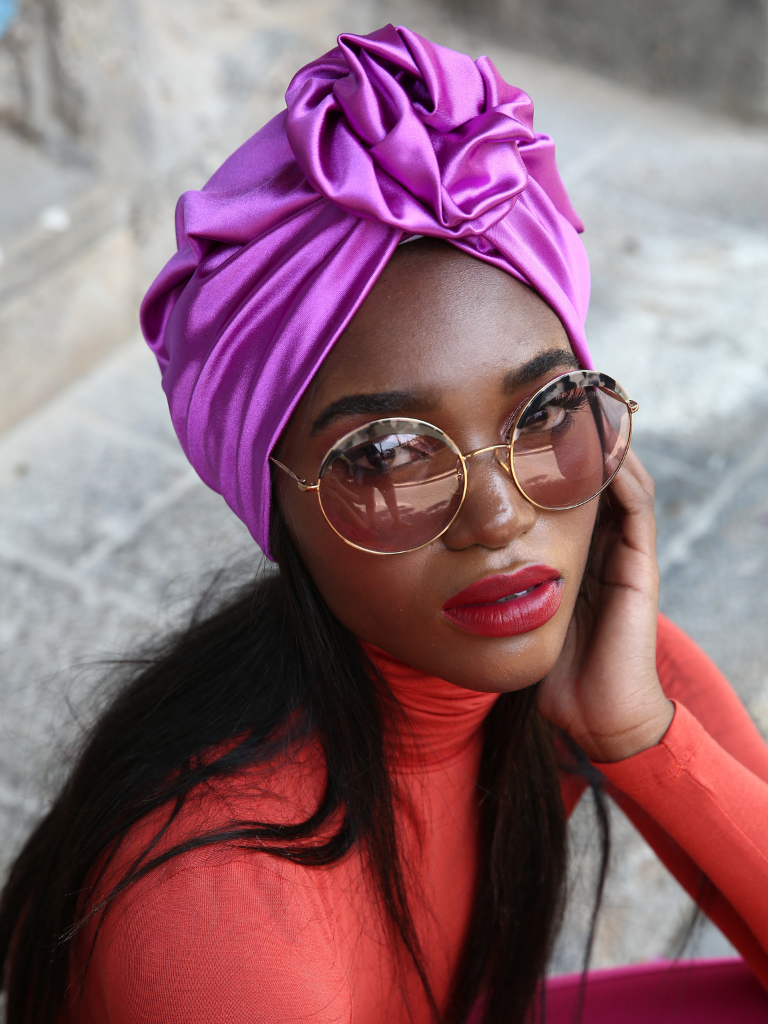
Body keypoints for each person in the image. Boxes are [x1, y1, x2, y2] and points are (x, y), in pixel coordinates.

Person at [2, 24, 768, 1024]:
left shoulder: (593, 662)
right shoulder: (210, 924)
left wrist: (640, 735)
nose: (501, 516)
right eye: (387, 454)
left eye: (542, 412)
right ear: (272, 502)